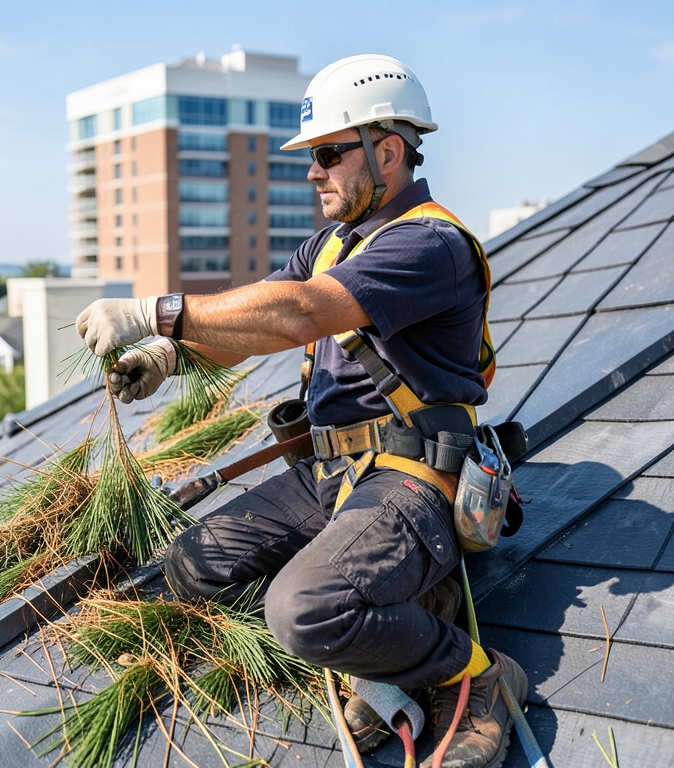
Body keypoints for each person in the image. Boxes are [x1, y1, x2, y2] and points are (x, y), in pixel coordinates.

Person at [76, 54, 526, 768]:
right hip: (330, 473)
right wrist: (168, 355)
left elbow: (300, 316)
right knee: (192, 565)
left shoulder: (429, 244)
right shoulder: (332, 244)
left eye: (328, 154)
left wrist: (153, 312)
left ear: (387, 152)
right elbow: (255, 321)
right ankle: (379, 632)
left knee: (303, 609)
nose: (313, 172)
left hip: (410, 477)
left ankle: (471, 675)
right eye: (312, 157)